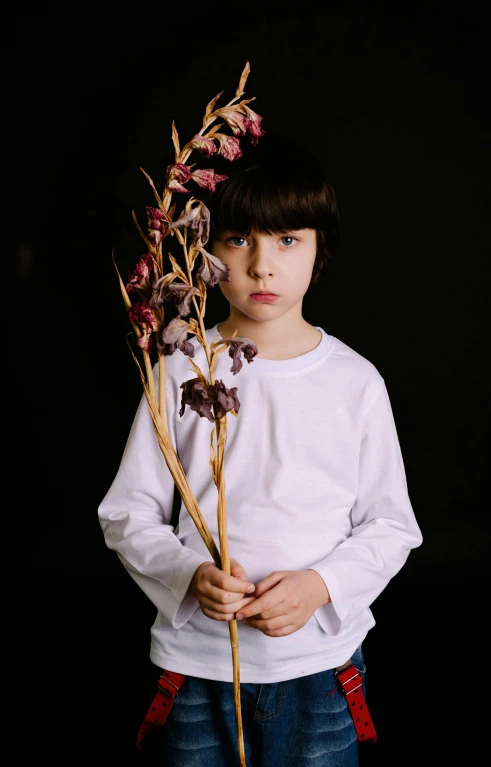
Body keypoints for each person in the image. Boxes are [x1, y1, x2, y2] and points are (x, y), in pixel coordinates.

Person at [98, 133, 423, 766]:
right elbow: (126, 513)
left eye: (287, 240)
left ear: (319, 248)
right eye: (238, 240)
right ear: (205, 252)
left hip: (320, 672)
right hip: (198, 671)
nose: (262, 266)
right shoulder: (180, 368)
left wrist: (319, 586)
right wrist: (188, 575)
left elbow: (391, 524)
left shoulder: (354, 380)